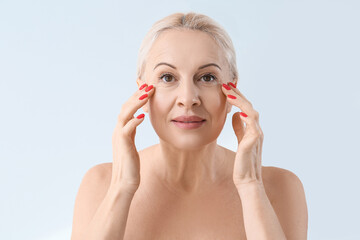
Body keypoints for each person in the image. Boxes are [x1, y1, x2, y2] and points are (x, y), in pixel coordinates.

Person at [71, 12, 308, 240]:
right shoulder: (100, 185)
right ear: (142, 94)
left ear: (231, 92)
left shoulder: (281, 188)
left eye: (207, 77)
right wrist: (122, 187)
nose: (188, 97)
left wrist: (250, 186)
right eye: (167, 77)